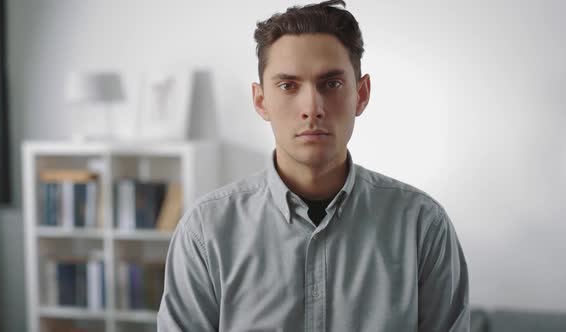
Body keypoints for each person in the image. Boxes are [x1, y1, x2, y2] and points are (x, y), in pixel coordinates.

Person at [157, 1, 470, 331]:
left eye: (331, 84)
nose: (312, 107)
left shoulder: (423, 226)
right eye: (288, 85)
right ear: (261, 100)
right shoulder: (205, 232)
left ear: (361, 94)